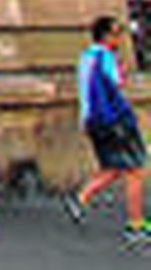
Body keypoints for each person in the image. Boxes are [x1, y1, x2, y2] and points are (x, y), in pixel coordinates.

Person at [62, 16, 148, 243]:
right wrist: (121, 69)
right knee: (135, 171)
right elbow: (116, 84)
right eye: (117, 33)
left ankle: (80, 199)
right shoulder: (106, 58)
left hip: (94, 123)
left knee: (115, 166)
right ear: (107, 36)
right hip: (115, 123)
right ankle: (135, 226)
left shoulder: (85, 58)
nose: (119, 38)